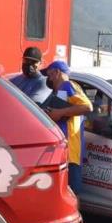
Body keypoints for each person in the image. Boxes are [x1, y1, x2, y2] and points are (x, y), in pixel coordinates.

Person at [39, 60, 93, 194]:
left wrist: (59, 113)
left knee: (71, 193)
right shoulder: (58, 91)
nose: (48, 78)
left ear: (57, 72)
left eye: (50, 74)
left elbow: (88, 107)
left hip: (70, 152)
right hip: (62, 150)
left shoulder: (68, 86)